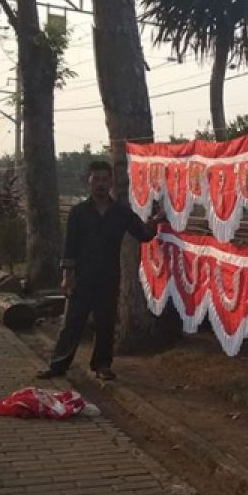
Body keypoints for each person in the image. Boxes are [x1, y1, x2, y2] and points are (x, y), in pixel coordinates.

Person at [38, 160, 162, 381]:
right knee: (73, 323)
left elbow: (143, 235)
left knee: (105, 323)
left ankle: (102, 365)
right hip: (82, 278)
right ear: (89, 181)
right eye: (96, 179)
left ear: (111, 182)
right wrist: (68, 276)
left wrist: (154, 223)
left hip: (109, 277)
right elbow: (71, 245)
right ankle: (58, 365)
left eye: (105, 179)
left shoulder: (121, 213)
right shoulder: (78, 212)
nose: (100, 184)